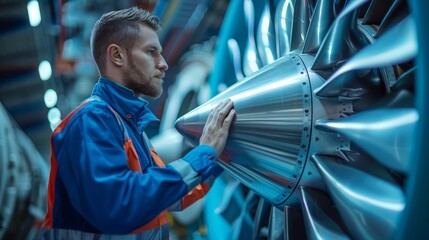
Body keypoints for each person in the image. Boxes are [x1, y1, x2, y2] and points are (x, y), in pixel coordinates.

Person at [38, 6, 235, 240]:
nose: (163, 63)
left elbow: (171, 197)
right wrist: (204, 154)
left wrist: (222, 155)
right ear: (117, 55)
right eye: (151, 52)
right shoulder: (90, 121)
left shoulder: (130, 128)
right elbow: (121, 204)